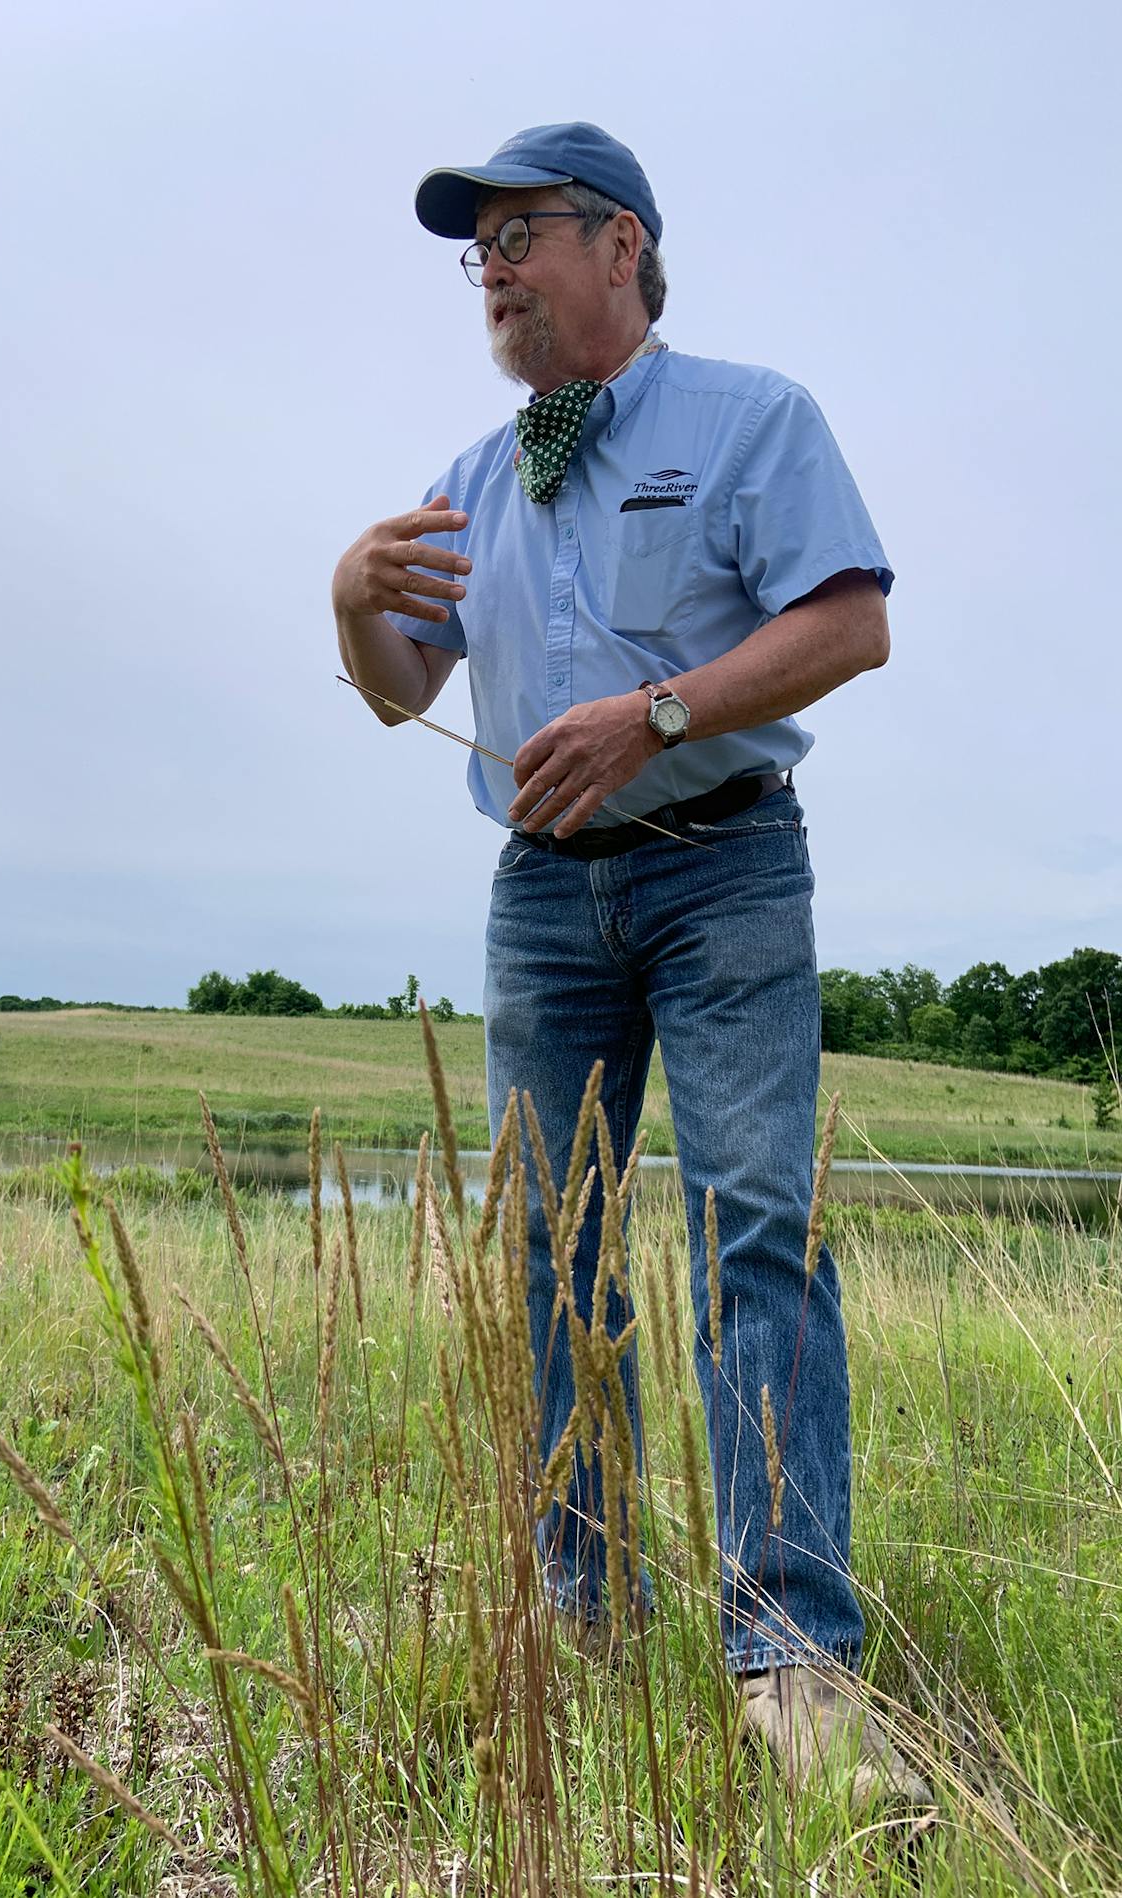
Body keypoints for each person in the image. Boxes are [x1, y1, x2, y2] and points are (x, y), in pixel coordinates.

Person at [332, 122, 927, 1808]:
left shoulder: (752, 418)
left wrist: (657, 710)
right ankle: (585, 1613)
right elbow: (395, 686)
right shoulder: (467, 477)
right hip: (543, 894)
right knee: (552, 1250)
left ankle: (790, 1657)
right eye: (480, 249)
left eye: (522, 234)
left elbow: (853, 619)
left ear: (624, 246)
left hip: (726, 864)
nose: (495, 268)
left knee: (756, 1228)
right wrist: (347, 601)